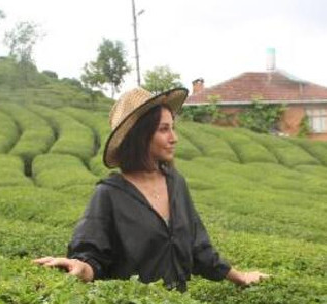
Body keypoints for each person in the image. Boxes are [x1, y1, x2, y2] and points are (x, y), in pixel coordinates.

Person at [33, 86, 268, 291]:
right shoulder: (109, 194)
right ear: (141, 136)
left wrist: (241, 277)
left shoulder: (176, 184)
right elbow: (92, 257)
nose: (174, 137)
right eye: (163, 129)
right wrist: (81, 267)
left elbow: (199, 249)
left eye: (172, 127)